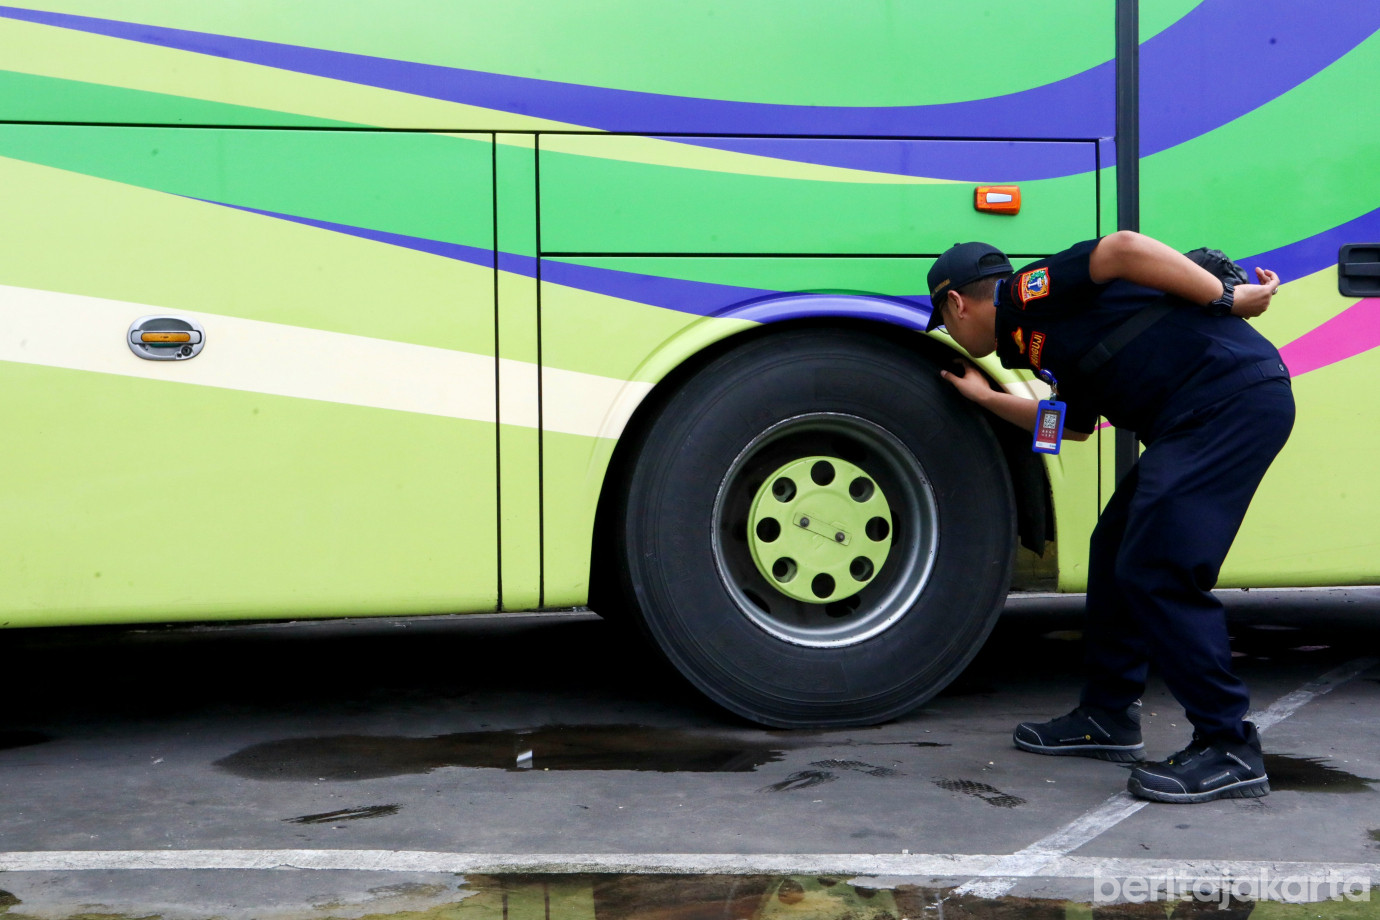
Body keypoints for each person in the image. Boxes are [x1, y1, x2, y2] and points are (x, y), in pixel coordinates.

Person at [926, 231, 1294, 804]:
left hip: (1228, 404)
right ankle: (1107, 717)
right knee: (1115, 543)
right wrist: (990, 401)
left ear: (957, 303)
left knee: (1159, 567)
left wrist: (1226, 300)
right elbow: (1072, 428)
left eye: (947, 324)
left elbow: (1121, 248)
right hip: (1198, 417)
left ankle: (1229, 747)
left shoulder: (1023, 295)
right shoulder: (1042, 336)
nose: (953, 334)